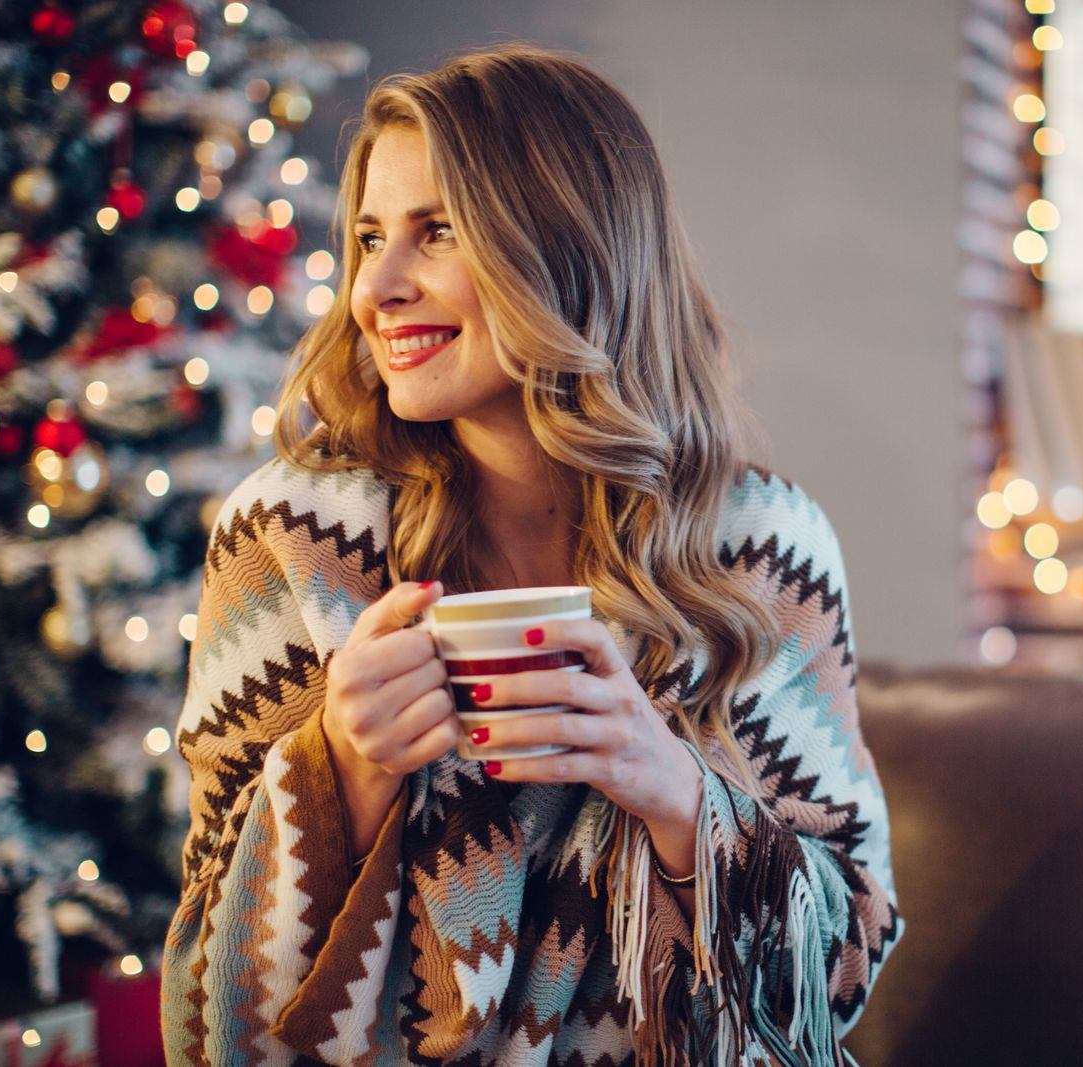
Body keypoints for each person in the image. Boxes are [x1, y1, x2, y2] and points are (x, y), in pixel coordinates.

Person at [160, 43, 901, 1066]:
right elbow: (206, 1013)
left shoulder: (762, 554)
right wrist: (341, 770)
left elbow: (846, 961)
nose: (375, 286)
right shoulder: (294, 542)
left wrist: (677, 795)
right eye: (370, 235)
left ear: (567, 249)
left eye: (437, 232)